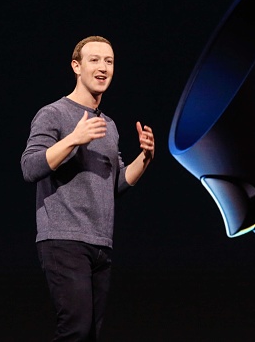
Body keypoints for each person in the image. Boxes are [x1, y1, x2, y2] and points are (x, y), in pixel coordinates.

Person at [21, 35, 155, 341]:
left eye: (109, 61)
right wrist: (73, 139)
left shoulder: (109, 125)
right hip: (63, 237)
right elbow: (30, 168)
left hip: (100, 243)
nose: (103, 67)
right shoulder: (53, 114)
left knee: (90, 334)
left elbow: (116, 184)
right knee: (75, 330)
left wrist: (145, 158)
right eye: (94, 60)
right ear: (76, 66)